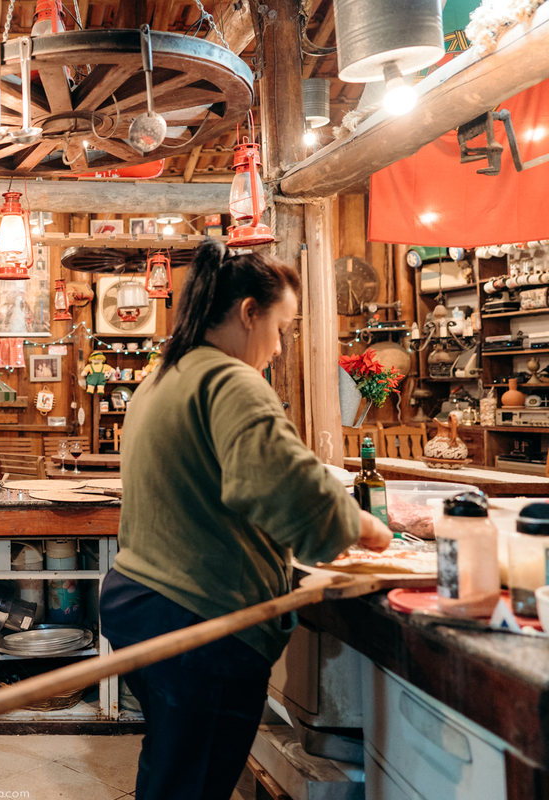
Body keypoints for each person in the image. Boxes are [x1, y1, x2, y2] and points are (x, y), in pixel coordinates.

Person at [99, 239, 392, 800]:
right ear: (248, 312)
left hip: (142, 605)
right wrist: (361, 526)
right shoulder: (230, 380)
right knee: (192, 786)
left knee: (170, 773)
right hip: (196, 621)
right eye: (280, 329)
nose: (279, 348)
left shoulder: (162, 378)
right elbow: (283, 483)